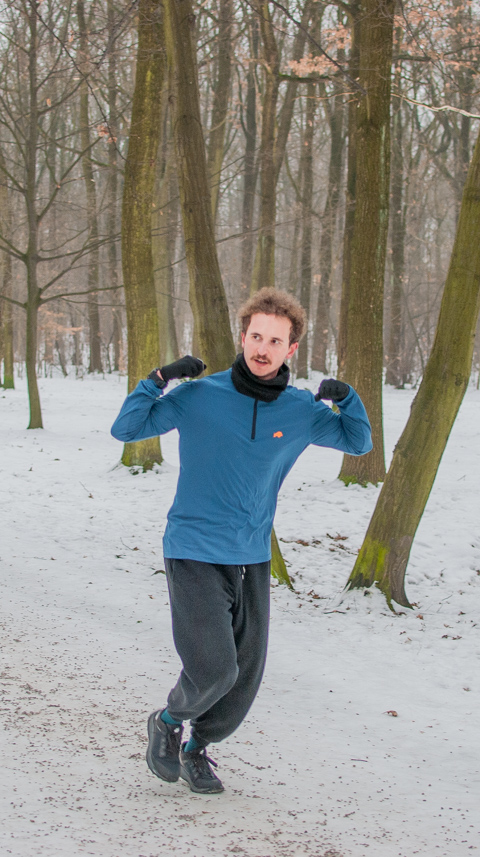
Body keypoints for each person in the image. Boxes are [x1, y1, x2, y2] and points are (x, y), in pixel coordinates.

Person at [110, 288, 372, 794]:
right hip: (192, 548)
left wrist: (348, 399)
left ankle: (196, 748)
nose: (263, 347)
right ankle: (167, 720)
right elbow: (128, 429)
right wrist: (158, 381)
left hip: (252, 555)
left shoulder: (300, 409)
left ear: (290, 349)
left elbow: (357, 442)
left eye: (276, 340)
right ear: (243, 335)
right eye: (256, 335)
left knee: (243, 679)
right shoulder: (199, 395)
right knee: (214, 668)